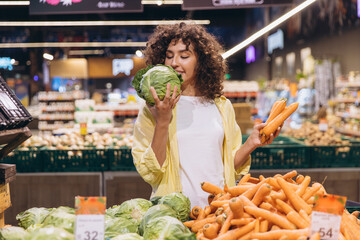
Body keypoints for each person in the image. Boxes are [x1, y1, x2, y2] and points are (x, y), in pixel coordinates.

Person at [132, 22, 280, 209]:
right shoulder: (152, 109)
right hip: (173, 215)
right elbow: (151, 173)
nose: (174, 62)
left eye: (184, 56)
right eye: (169, 56)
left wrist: (251, 143)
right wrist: (162, 121)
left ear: (201, 61)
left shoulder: (221, 106)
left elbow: (227, 167)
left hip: (218, 211)